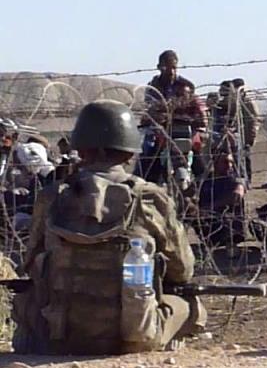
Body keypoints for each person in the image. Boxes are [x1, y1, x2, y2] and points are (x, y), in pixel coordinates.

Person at [12, 100, 205, 354]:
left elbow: (30, 262)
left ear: (80, 150)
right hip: (130, 338)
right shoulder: (150, 197)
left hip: (55, 334)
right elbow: (182, 270)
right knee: (190, 304)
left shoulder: (52, 197)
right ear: (129, 153)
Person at [137, 50, 206, 185]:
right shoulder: (153, 87)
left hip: (185, 129)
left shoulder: (186, 85)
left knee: (198, 161)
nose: (171, 71)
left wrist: (202, 126)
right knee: (148, 156)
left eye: (174, 67)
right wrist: (153, 118)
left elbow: (198, 107)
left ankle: (204, 188)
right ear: (159, 67)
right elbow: (150, 108)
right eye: (167, 67)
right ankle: (146, 185)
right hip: (162, 131)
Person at [196, 148, 249, 246]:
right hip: (209, 226)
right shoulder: (206, 180)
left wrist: (210, 207)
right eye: (225, 162)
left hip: (230, 227)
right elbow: (188, 193)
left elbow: (236, 196)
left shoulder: (235, 180)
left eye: (231, 162)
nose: (229, 166)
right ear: (215, 163)